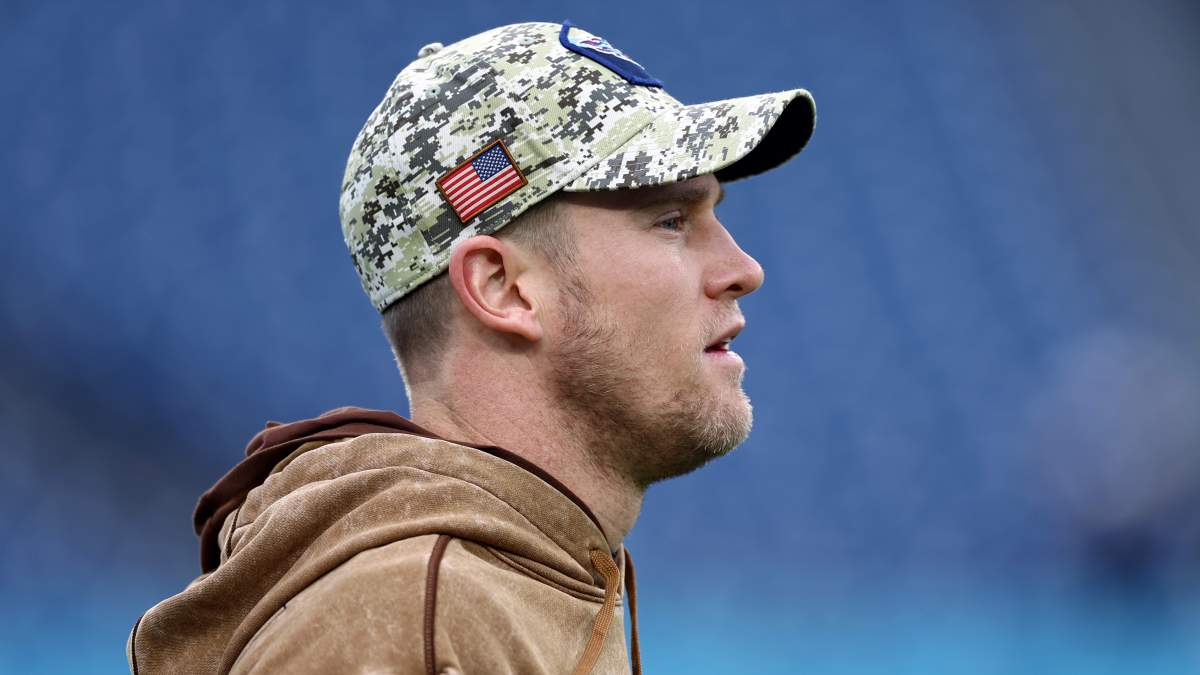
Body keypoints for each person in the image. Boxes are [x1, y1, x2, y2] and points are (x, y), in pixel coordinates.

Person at [127, 20, 815, 675]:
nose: (744, 268)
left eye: (711, 214)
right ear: (503, 288)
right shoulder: (407, 624)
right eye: (670, 220)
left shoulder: (517, 578)